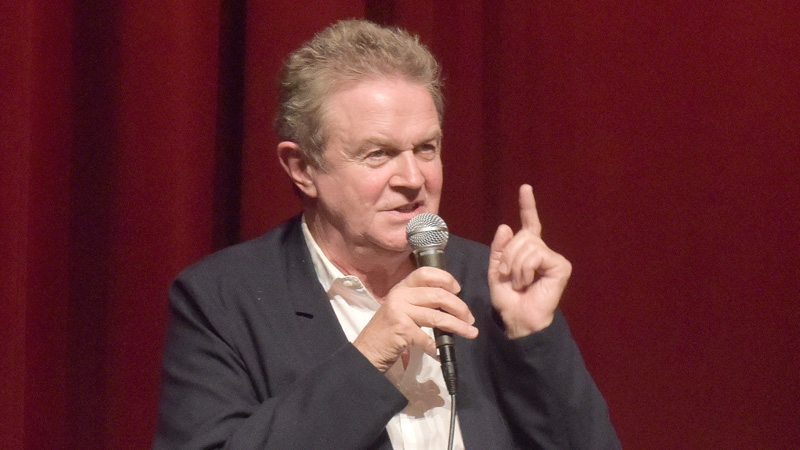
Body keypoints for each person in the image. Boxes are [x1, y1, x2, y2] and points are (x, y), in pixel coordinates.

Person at [154, 19, 620, 450]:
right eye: (378, 154)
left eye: (426, 148)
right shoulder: (223, 299)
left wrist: (533, 336)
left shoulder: (489, 282)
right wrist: (368, 357)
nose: (414, 179)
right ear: (302, 168)